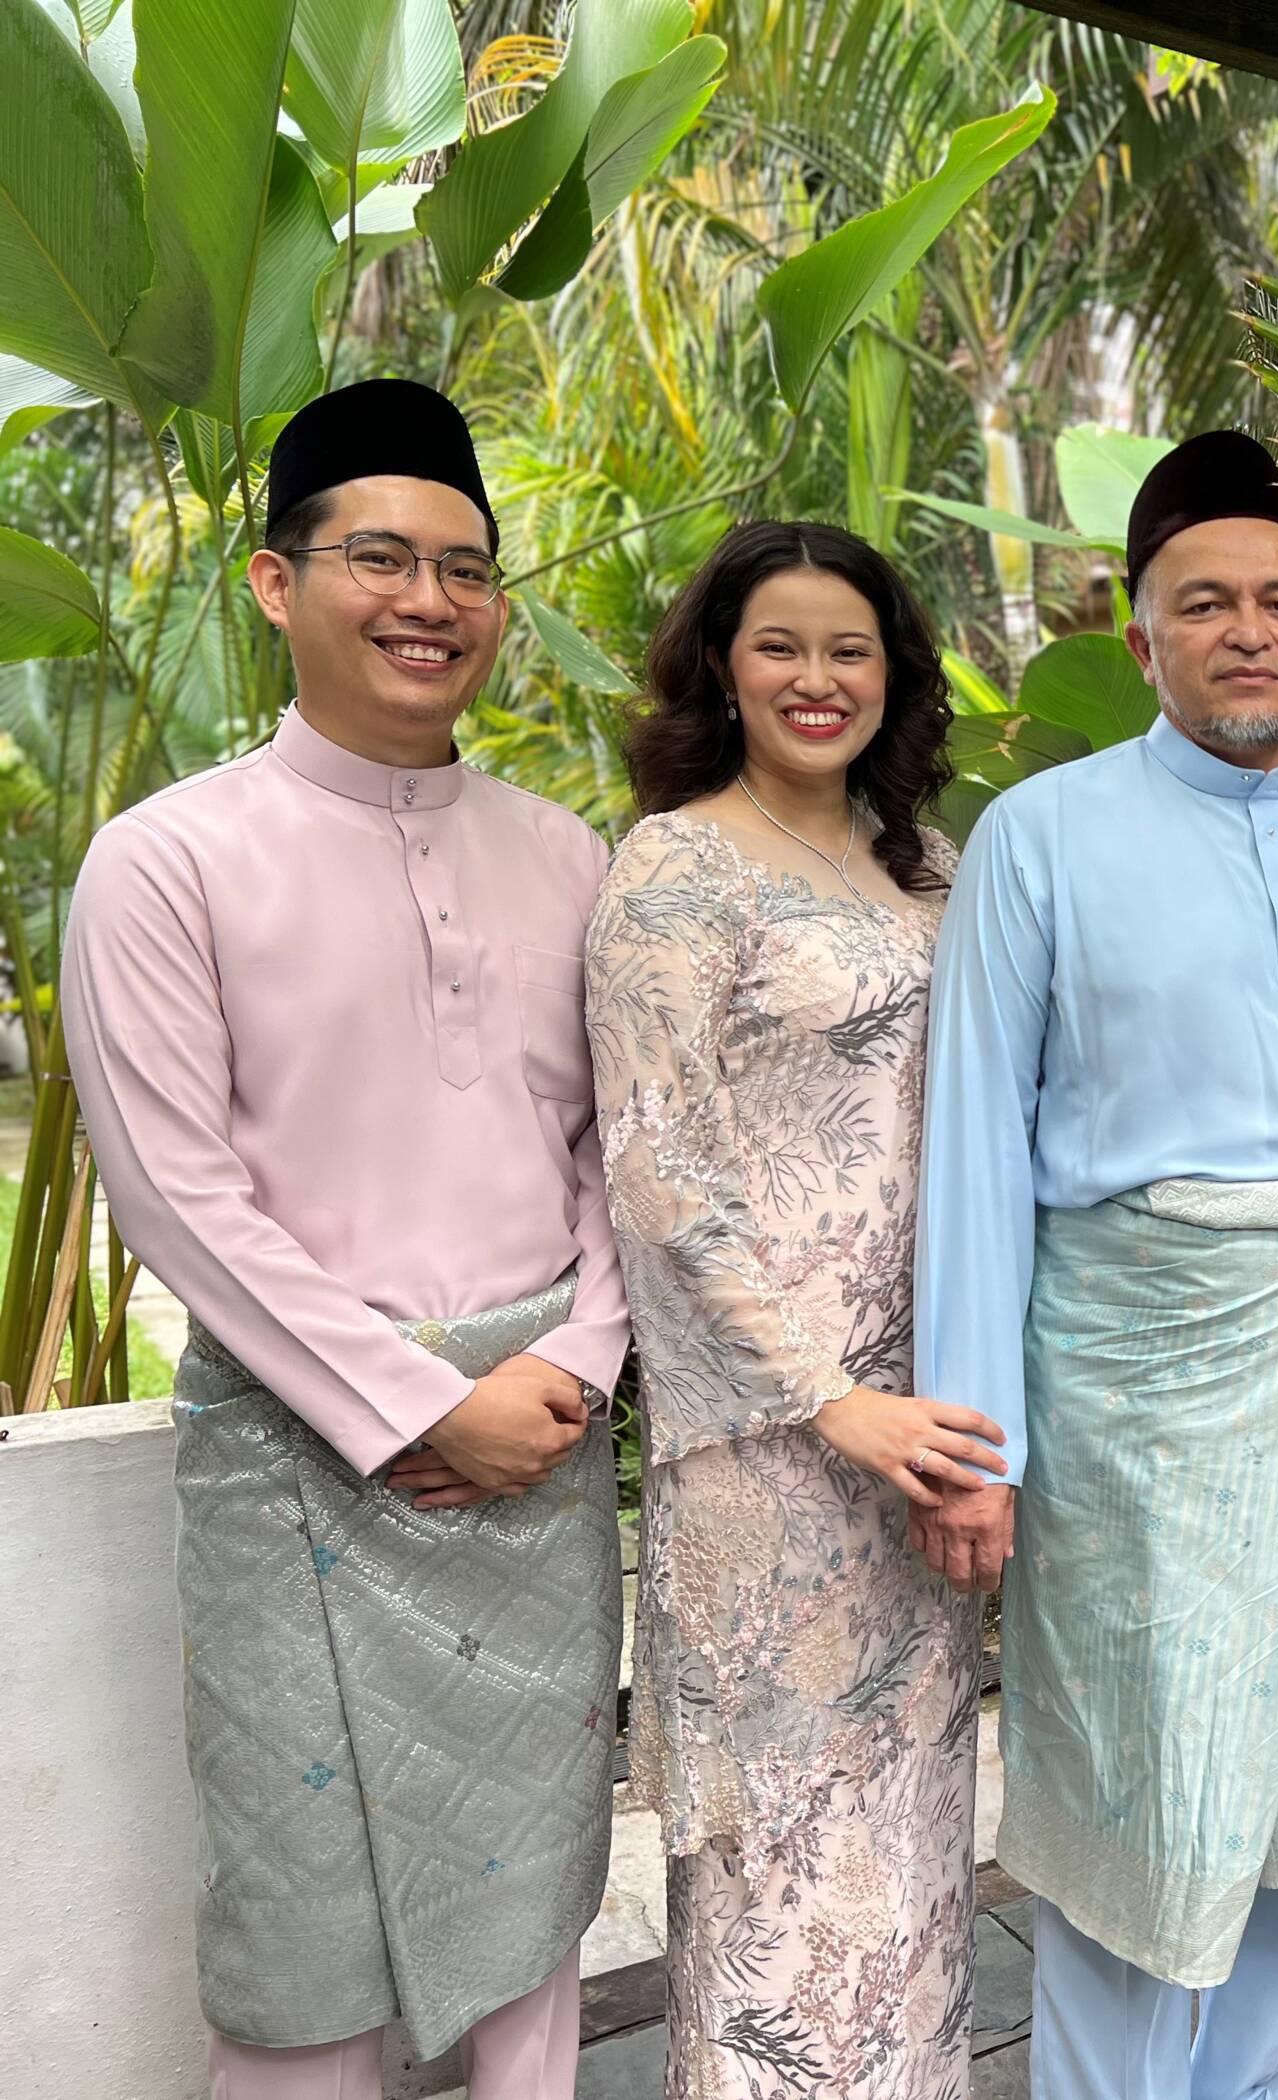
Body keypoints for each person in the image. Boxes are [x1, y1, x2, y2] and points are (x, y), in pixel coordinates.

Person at [59, 377, 627, 2099]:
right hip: (304, 1473)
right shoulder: (165, 864)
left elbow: (624, 1159)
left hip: (539, 1446)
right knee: (302, 1954)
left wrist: (575, 1364)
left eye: (465, 569)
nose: (429, 602)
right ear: (270, 580)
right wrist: (409, 1405)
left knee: (535, 1933)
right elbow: (173, 1193)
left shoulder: (570, 857)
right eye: (380, 557)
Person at [913, 430, 1278, 2100]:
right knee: (1147, 1829)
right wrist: (971, 1442)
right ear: (1138, 635)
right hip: (1134, 1406)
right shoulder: (1041, 834)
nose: (1250, 631)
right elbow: (975, 1154)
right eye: (1206, 602)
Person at [585, 521, 1008, 2098]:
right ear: (722, 667)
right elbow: (661, 1171)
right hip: (776, 1453)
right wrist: (832, 1397)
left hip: (932, 1434)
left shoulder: (934, 868)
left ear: (893, 673)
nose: (818, 677)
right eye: (781, 645)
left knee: (909, 1861)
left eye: (852, 647)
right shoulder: (675, 867)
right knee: (779, 1885)